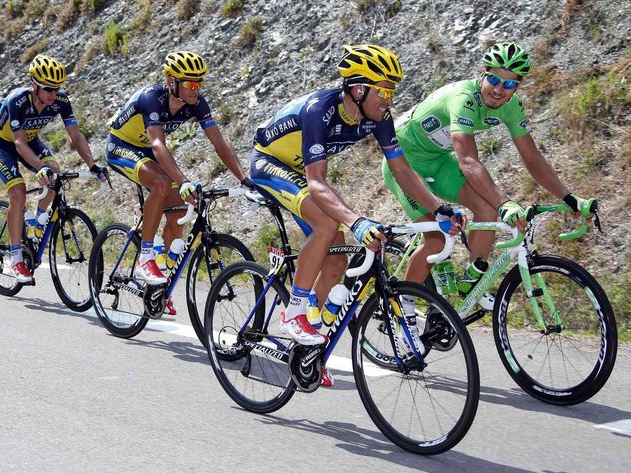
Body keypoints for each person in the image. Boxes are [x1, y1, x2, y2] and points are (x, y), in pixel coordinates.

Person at [250, 44, 459, 360]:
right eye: (383, 92)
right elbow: (317, 182)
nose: (389, 100)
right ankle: (293, 313)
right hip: (270, 163)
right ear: (358, 89)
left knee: (336, 261)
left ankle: (307, 343)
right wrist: (356, 220)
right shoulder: (319, 110)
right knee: (327, 223)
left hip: (303, 170)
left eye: (391, 93)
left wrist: (436, 206)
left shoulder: (378, 116)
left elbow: (401, 169)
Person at [383, 41, 589, 298]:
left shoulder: (511, 107)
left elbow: (532, 158)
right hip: (403, 162)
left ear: (518, 86)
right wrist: (506, 202)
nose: (499, 89)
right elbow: (467, 160)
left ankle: (472, 283)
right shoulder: (463, 99)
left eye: (510, 84)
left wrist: (568, 198)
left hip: (436, 159)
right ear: (483, 74)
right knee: (436, 238)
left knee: (487, 208)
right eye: (494, 79)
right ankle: (404, 311)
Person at [105, 51, 251, 288]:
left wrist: (245, 180)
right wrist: (182, 180)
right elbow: (158, 145)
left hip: (148, 151)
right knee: (162, 183)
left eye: (200, 83)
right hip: (121, 146)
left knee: (182, 210)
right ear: (171, 82)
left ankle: (158, 283)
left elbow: (220, 143)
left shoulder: (196, 104)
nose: (196, 89)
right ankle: (146, 256)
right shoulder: (152, 98)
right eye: (191, 83)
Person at [0, 54, 107, 284]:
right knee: (18, 192)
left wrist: (92, 164)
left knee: (55, 172)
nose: (53, 94)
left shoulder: (61, 101)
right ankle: (15, 258)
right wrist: (39, 167)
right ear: (35, 86)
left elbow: (76, 136)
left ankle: (37, 222)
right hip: (5, 144)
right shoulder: (18, 100)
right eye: (48, 89)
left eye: (57, 89)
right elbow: (19, 144)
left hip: (31, 141)